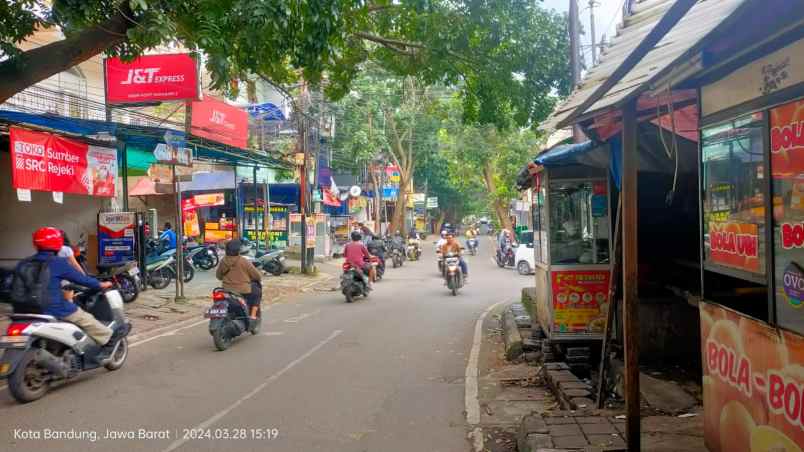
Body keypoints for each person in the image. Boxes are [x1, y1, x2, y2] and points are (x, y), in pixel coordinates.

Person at [21, 228, 114, 346]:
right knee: (85, 318)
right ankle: (108, 340)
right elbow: (82, 279)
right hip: (54, 308)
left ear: (35, 244)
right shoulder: (58, 262)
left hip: (23, 310)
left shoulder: (24, 262)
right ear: (58, 244)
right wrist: (101, 284)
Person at [216, 239, 263, 320]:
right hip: (243, 291)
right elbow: (257, 276)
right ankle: (253, 315)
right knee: (257, 292)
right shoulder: (243, 261)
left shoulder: (223, 261)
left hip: (227, 290)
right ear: (239, 250)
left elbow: (219, 276)